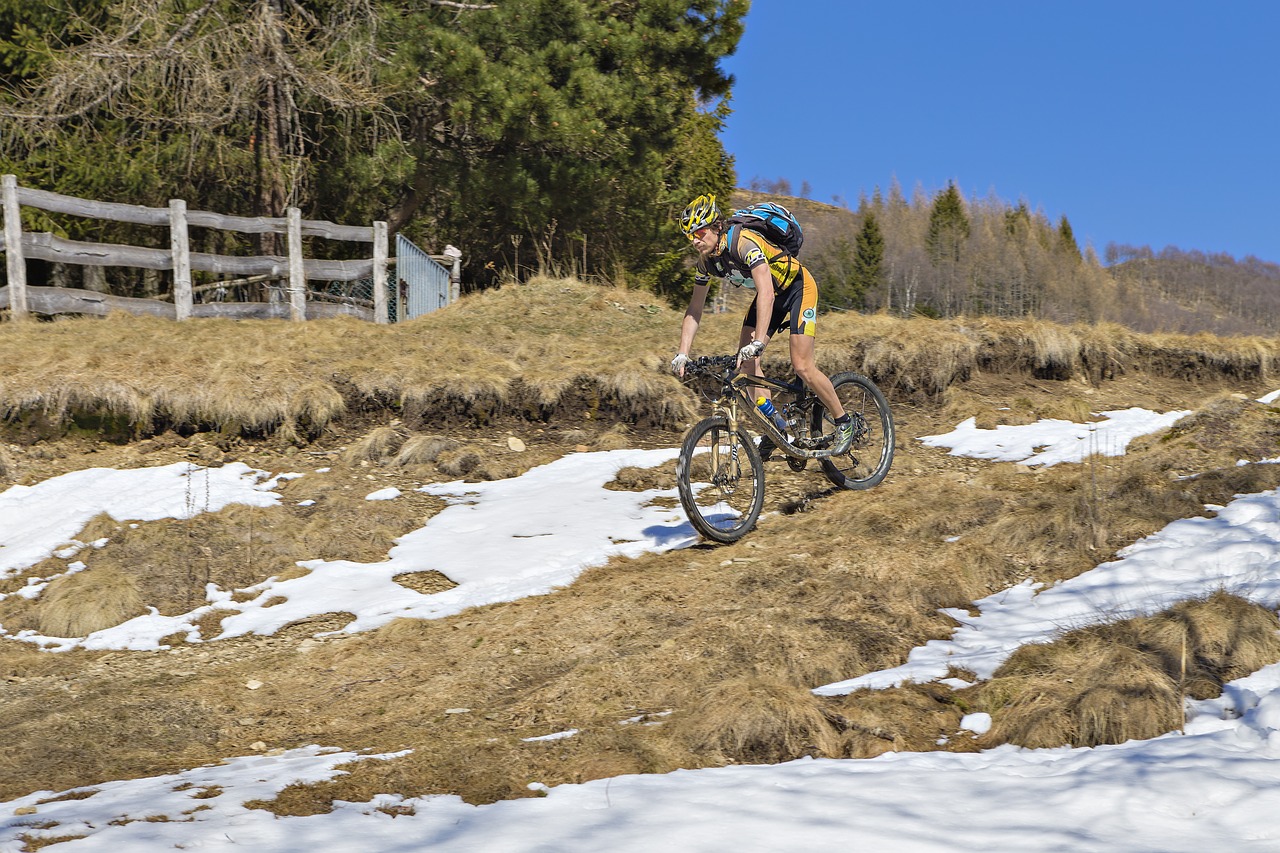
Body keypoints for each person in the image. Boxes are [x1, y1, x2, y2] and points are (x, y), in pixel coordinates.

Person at [670, 193, 853, 457]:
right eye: (690, 236)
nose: (695, 241)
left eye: (698, 233)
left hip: (797, 290)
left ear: (715, 226)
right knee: (746, 366)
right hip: (771, 298)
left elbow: (765, 291)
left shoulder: (744, 243)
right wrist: (682, 353)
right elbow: (695, 308)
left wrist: (758, 343)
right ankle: (775, 428)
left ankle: (843, 421)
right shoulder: (706, 262)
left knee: (802, 365)